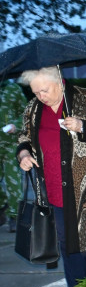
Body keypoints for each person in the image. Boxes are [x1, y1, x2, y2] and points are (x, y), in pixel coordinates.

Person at [16, 67, 86, 287]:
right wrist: (24, 154)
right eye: (35, 92)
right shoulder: (34, 108)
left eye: (44, 91)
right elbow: (24, 136)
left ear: (59, 82)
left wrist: (83, 126)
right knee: (68, 248)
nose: (40, 97)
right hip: (54, 191)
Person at [0, 81, 27, 232]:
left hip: (10, 143)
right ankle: (2, 204)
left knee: (13, 180)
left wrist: (16, 125)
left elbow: (25, 114)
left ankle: (15, 215)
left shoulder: (13, 89)